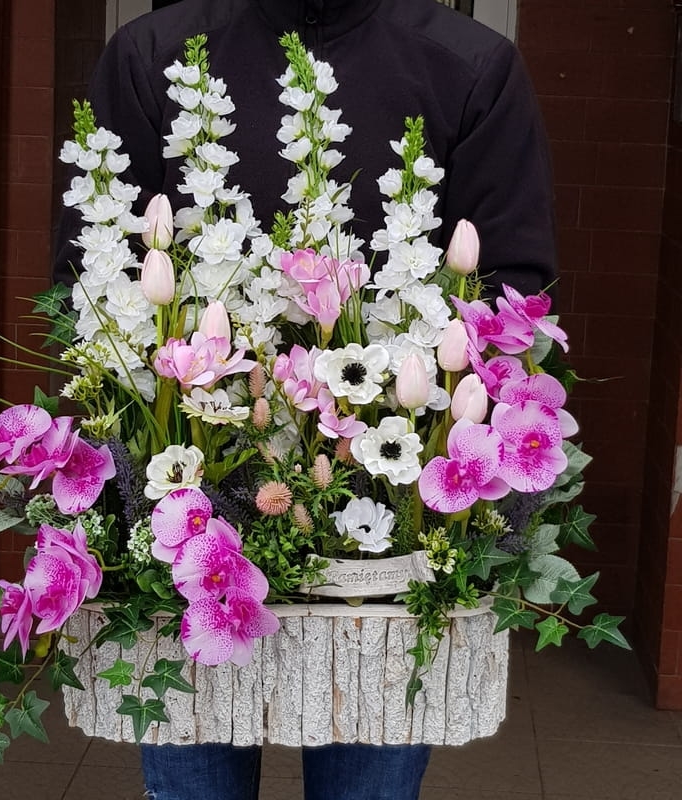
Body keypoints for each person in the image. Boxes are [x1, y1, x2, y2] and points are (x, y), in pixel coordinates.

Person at [53, 1, 557, 798]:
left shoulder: (467, 68)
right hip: (190, 514)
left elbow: (509, 298)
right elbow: (90, 286)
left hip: (385, 522)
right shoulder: (153, 55)